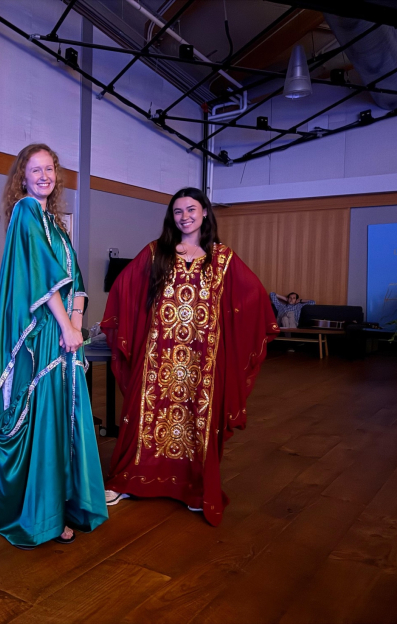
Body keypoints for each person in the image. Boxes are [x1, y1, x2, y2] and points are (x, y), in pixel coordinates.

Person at [100, 187, 279, 526]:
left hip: (202, 359)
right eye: (178, 211)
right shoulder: (156, 253)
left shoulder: (222, 259)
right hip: (158, 356)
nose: (185, 216)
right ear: (172, 216)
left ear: (205, 213)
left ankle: (195, 485)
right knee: (143, 415)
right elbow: (124, 287)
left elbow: (252, 295)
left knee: (197, 416)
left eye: (191, 209)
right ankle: (129, 481)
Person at [0, 143, 108, 549]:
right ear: (22, 176)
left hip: (64, 334)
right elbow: (41, 278)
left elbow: (77, 281)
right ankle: (43, 516)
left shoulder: (54, 221)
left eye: (48, 168)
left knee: (62, 420)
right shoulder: (25, 212)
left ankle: (63, 504)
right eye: (34, 169)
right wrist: (66, 325)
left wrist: (78, 323)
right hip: (45, 335)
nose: (42, 175)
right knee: (47, 422)